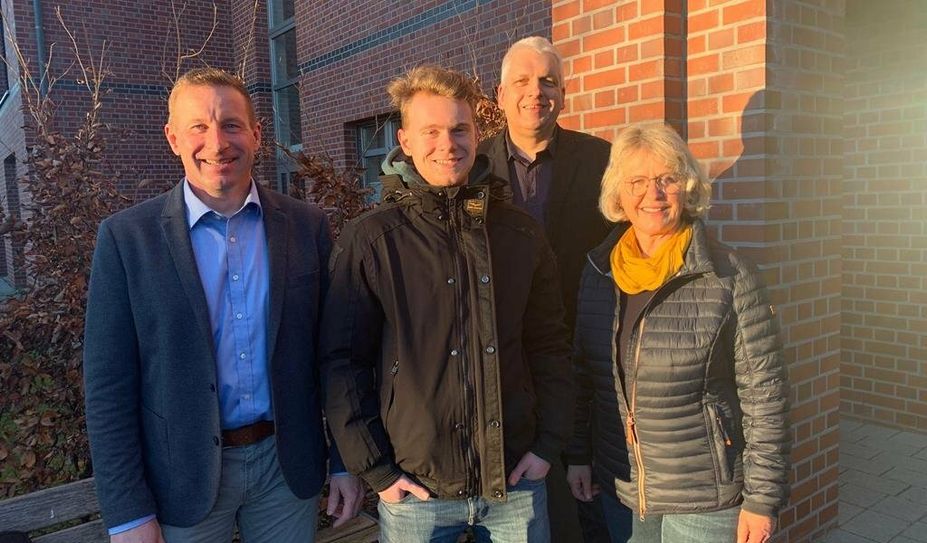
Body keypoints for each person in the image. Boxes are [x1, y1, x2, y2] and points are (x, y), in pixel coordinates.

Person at [83, 67, 363, 543]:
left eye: (231, 124)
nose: (216, 143)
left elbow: (334, 357)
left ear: (256, 134)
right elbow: (108, 385)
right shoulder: (127, 239)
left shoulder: (307, 226)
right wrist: (128, 513)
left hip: (285, 470)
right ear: (173, 138)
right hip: (182, 479)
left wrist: (343, 462)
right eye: (198, 126)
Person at [321, 65, 573, 543]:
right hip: (415, 491)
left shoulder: (520, 234)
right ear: (405, 140)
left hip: (515, 483)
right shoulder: (372, 240)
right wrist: (376, 470)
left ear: (478, 134)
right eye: (431, 131)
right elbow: (343, 363)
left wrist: (548, 445)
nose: (448, 144)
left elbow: (550, 346)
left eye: (459, 129)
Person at [565, 123, 790, 543]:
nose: (652, 194)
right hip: (624, 489)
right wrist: (578, 454)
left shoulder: (729, 276)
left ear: (686, 188)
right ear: (618, 193)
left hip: (705, 495)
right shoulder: (598, 273)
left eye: (666, 179)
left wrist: (762, 499)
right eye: (636, 181)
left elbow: (765, 396)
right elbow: (583, 378)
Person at [479, 35, 614, 542]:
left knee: (588, 502)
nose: (536, 91)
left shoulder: (601, 160)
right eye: (522, 81)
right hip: (504, 359)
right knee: (518, 503)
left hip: (585, 353)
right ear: (500, 95)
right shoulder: (472, 168)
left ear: (563, 93)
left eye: (548, 81)